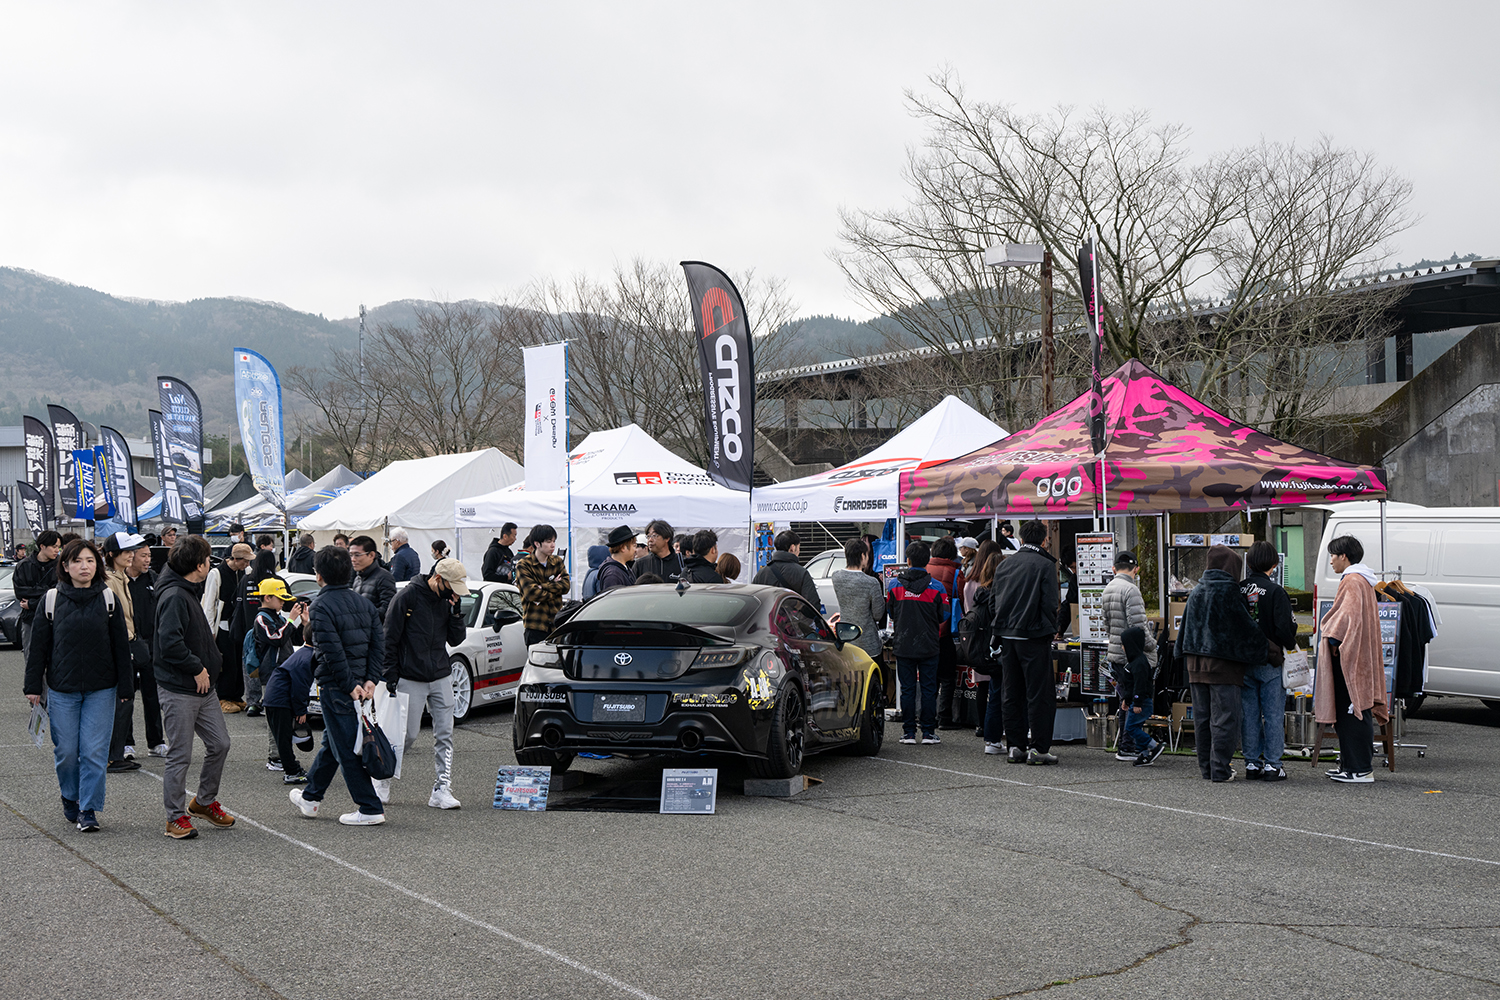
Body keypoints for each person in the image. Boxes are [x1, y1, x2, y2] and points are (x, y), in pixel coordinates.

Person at [24, 537, 132, 833]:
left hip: (102, 689)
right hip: (62, 689)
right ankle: (70, 796)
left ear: (98, 565)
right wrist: (33, 686)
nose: (84, 566)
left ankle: (88, 808)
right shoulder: (51, 599)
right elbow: (38, 648)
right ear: (65, 566)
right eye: (77, 561)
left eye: (90, 560)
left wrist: (126, 687)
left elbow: (121, 647)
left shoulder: (108, 598)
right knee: (67, 752)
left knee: (94, 752)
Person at [289, 545, 387, 826]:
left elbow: (331, 652)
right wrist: (370, 679)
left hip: (338, 685)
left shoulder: (320, 605)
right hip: (361, 684)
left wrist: (350, 684)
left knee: (345, 747)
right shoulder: (364, 603)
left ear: (318, 575)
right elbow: (378, 645)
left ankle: (369, 807)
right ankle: (311, 797)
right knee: (333, 742)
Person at [154, 534, 236, 839]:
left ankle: (203, 802)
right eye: (207, 560)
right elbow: (169, 643)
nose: (210, 565)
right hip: (180, 688)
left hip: (204, 687)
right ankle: (175, 817)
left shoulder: (186, 589)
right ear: (199, 566)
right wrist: (197, 667)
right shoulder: (175, 595)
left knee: (220, 744)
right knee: (180, 754)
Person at [380, 557, 469, 810]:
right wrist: (390, 675)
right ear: (437, 579)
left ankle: (442, 788)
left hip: (441, 673)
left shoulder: (447, 601)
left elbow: (456, 640)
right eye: (451, 587)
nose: (453, 593)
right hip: (410, 675)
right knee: (406, 735)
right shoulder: (406, 597)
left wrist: (456, 613)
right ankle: (382, 777)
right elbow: (389, 638)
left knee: (445, 734)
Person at [1176, 544, 1265, 782]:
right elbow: (1246, 630)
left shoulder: (1196, 591)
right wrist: (1270, 650)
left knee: (1202, 719)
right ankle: (1220, 769)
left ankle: (1207, 768)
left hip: (1195, 665)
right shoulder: (1229, 592)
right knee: (1225, 718)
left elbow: (1184, 629)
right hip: (1224, 666)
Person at [989, 519, 1061, 765]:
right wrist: (1050, 628)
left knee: (1012, 692)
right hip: (1034, 635)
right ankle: (1038, 748)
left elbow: (994, 601)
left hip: (1007, 635)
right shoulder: (1045, 565)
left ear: (1020, 539)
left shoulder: (1005, 564)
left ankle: (1015, 746)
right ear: (1044, 540)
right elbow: (1050, 603)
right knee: (1039, 694)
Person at [1316, 536, 1386, 784]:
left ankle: (1359, 769)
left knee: (1352, 710)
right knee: (1355, 709)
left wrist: (1332, 637)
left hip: (1350, 658)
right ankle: (1350, 765)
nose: (1331, 561)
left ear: (1344, 556)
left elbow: (1347, 616)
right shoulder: (1363, 580)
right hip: (1360, 656)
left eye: (1333, 555)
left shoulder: (1352, 580)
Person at [1241, 540, 1298, 781]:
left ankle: (1251, 763)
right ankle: (1273, 764)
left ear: (1249, 563)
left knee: (1249, 714)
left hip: (1244, 660)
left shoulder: (1239, 589)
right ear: (1274, 565)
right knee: (1273, 714)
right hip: (1271, 659)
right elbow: (1285, 629)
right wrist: (1290, 643)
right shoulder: (1276, 591)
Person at [886, 541, 948, 745]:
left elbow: (891, 613)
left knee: (908, 689)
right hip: (929, 644)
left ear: (908, 561)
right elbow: (944, 615)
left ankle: (909, 733)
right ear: (927, 561)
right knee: (929, 689)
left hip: (903, 643)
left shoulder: (894, 585)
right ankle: (928, 732)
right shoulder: (937, 587)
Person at [1101, 550, 1159, 761]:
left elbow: (1106, 624)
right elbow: (1139, 627)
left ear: (1114, 568)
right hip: (1133, 655)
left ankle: (1127, 745)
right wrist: (1153, 645)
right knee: (1135, 701)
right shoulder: (1131, 590)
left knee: (1125, 699)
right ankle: (1129, 745)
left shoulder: (1108, 588)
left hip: (1115, 652)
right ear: (1136, 569)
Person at [102, 532, 149, 773]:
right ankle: (112, 756)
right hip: (119, 648)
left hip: (128, 643)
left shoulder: (121, 577)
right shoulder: (108, 580)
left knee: (126, 702)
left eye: (132, 551)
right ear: (112, 554)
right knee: (122, 702)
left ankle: (116, 753)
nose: (131, 555)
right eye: (126, 551)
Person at [251, 578, 307, 771]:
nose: (283, 602)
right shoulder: (261, 619)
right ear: (267, 597)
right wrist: (291, 619)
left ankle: (284, 755)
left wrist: (303, 623)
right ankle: (275, 757)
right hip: (272, 675)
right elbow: (276, 638)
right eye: (280, 598)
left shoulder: (279, 618)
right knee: (274, 719)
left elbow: (292, 638)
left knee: (285, 717)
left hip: (285, 673)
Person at [832, 538, 888, 706]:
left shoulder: (836, 577)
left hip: (846, 638)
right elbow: (878, 614)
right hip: (868, 641)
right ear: (863, 556)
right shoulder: (871, 582)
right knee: (873, 679)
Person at [128, 537, 167, 758]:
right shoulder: (119, 580)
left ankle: (156, 741)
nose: (147, 560)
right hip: (128, 644)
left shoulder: (153, 578)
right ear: (130, 556)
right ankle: (126, 743)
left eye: (149, 556)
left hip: (152, 645)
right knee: (126, 696)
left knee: (153, 695)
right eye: (143, 556)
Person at [203, 542, 252, 712]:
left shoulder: (246, 572)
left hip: (239, 624)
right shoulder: (216, 573)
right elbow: (209, 604)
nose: (247, 564)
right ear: (236, 559)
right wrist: (210, 630)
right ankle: (223, 697)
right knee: (227, 662)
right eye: (245, 560)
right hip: (223, 624)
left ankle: (237, 696)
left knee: (239, 662)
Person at [262, 634, 315, 785]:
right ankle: (291, 772)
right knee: (284, 738)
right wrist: (301, 710)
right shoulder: (308, 658)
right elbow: (300, 687)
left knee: (283, 737)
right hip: (280, 699)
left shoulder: (304, 653)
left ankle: (292, 767)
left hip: (274, 697)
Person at [232, 549, 280, 716]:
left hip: (249, 631)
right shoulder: (275, 581)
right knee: (272, 665)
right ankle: (270, 700)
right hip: (271, 630)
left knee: (251, 665)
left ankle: (253, 702)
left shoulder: (246, 579)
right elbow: (288, 600)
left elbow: (236, 603)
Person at [926, 537, 965, 729]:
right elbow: (963, 599)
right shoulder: (956, 573)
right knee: (948, 677)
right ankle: (944, 718)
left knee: (929, 677)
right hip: (946, 630)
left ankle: (927, 717)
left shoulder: (924, 570)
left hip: (924, 631)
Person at [1116, 626, 1164, 766]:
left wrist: (1137, 702)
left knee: (1131, 727)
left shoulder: (1139, 664)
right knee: (1135, 727)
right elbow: (1130, 686)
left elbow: (1140, 685)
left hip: (1141, 702)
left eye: (1124, 645)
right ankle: (1144, 754)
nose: (1123, 648)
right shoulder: (1134, 663)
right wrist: (1126, 700)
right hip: (1136, 701)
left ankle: (1153, 745)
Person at [516, 525, 569, 646]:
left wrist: (543, 586)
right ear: (537, 544)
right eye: (548, 541)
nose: (553, 545)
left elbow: (565, 586)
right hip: (536, 626)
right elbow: (531, 594)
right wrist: (554, 586)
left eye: (554, 541)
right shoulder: (524, 565)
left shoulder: (557, 562)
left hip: (557, 625)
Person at [13, 529, 61, 657]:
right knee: (31, 657)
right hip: (30, 619)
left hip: (55, 619)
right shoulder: (23, 566)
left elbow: (59, 594)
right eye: (54, 546)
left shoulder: (61, 566)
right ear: (42, 546)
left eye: (58, 547)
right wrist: (45, 590)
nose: (57, 550)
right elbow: (20, 592)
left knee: (55, 659)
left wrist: (32, 603)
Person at [752, 530, 820, 607]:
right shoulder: (801, 573)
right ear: (792, 548)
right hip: (793, 615)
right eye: (798, 547)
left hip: (768, 614)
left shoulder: (761, 573)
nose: (799, 551)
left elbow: (754, 602)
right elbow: (813, 604)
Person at [350, 535, 397, 619]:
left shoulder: (384, 577)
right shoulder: (357, 579)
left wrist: (363, 616)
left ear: (371, 555)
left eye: (357, 555)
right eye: (351, 555)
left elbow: (388, 609)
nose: (353, 559)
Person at [633, 519, 684, 584]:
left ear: (667, 538)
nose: (650, 540)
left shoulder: (681, 562)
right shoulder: (640, 564)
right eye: (648, 536)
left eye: (654, 536)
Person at [595, 525, 637, 593]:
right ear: (623, 548)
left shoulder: (623, 568)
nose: (635, 550)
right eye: (634, 546)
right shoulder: (613, 574)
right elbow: (613, 599)